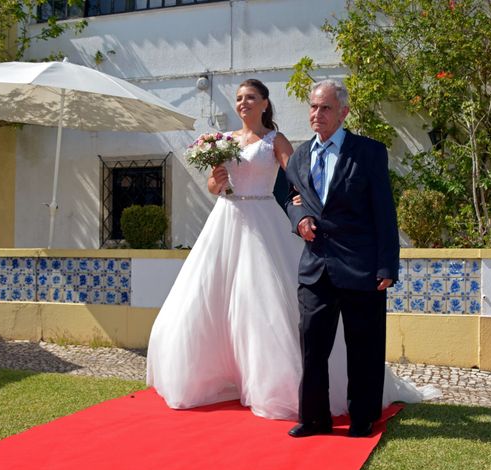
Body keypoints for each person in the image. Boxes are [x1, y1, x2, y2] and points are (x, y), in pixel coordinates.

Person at [147, 78, 438, 421]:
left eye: (250, 97)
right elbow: (214, 185)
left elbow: (301, 181)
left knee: (264, 303)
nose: (243, 103)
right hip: (225, 221)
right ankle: (224, 376)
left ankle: (280, 387)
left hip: (262, 220)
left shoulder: (277, 141)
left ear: (265, 103)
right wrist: (218, 179)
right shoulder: (223, 141)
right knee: (207, 299)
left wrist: (302, 210)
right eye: (239, 98)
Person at [285, 79, 400, 438]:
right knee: (312, 348)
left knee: (363, 350)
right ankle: (313, 417)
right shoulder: (301, 154)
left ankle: (362, 417)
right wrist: (298, 218)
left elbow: (384, 212)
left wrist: (387, 266)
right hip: (315, 268)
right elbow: (288, 195)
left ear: (343, 113)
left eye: (326, 108)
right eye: (314, 107)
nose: (317, 114)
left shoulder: (369, 152)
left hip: (362, 268)